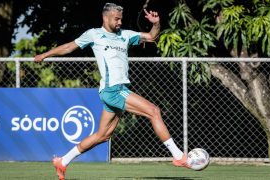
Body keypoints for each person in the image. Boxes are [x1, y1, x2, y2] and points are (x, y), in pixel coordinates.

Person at [34, 3, 189, 180]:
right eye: (116, 18)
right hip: (112, 90)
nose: (120, 22)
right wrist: (45, 54)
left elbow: (152, 37)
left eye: (121, 18)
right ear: (105, 17)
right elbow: (69, 47)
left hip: (119, 90)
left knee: (102, 136)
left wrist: (156, 24)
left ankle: (62, 161)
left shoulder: (126, 35)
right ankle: (178, 156)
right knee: (153, 111)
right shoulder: (94, 34)